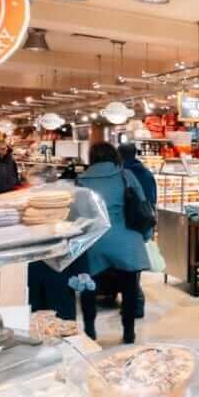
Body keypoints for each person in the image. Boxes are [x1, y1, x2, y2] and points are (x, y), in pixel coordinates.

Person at [75, 142, 151, 344]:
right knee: (129, 289)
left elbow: (76, 215)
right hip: (126, 240)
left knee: (88, 287)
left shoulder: (81, 181)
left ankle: (90, 331)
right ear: (114, 156)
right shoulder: (126, 176)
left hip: (94, 242)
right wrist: (144, 237)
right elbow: (143, 206)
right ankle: (128, 332)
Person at [119, 142, 157, 318]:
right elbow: (153, 200)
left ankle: (135, 304)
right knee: (134, 270)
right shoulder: (146, 172)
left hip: (126, 222)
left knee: (126, 269)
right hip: (142, 222)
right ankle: (135, 304)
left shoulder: (121, 174)